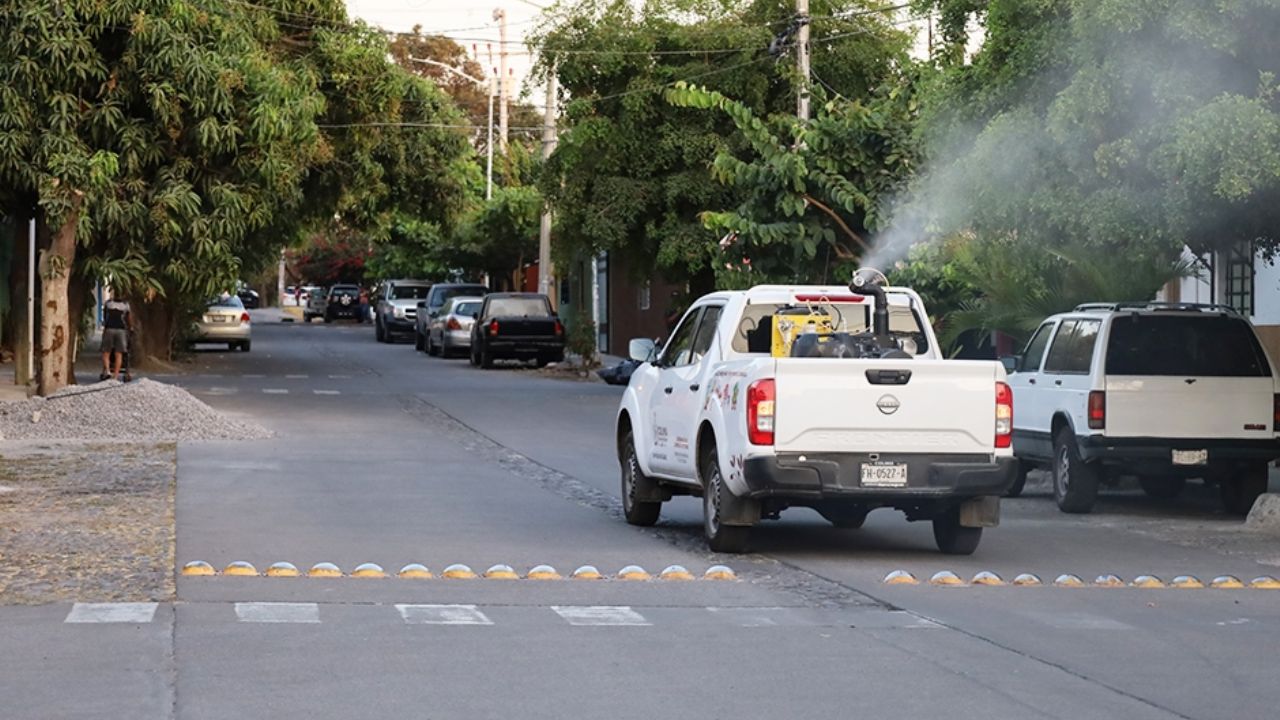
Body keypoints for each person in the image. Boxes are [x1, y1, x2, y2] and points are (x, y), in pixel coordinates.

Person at [100, 295, 132, 381]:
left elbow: (105, 315)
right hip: (121, 330)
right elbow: (128, 318)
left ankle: (107, 371)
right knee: (119, 353)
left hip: (109, 328)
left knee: (106, 352)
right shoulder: (126, 305)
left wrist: (104, 325)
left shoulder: (108, 303)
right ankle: (116, 376)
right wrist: (130, 328)